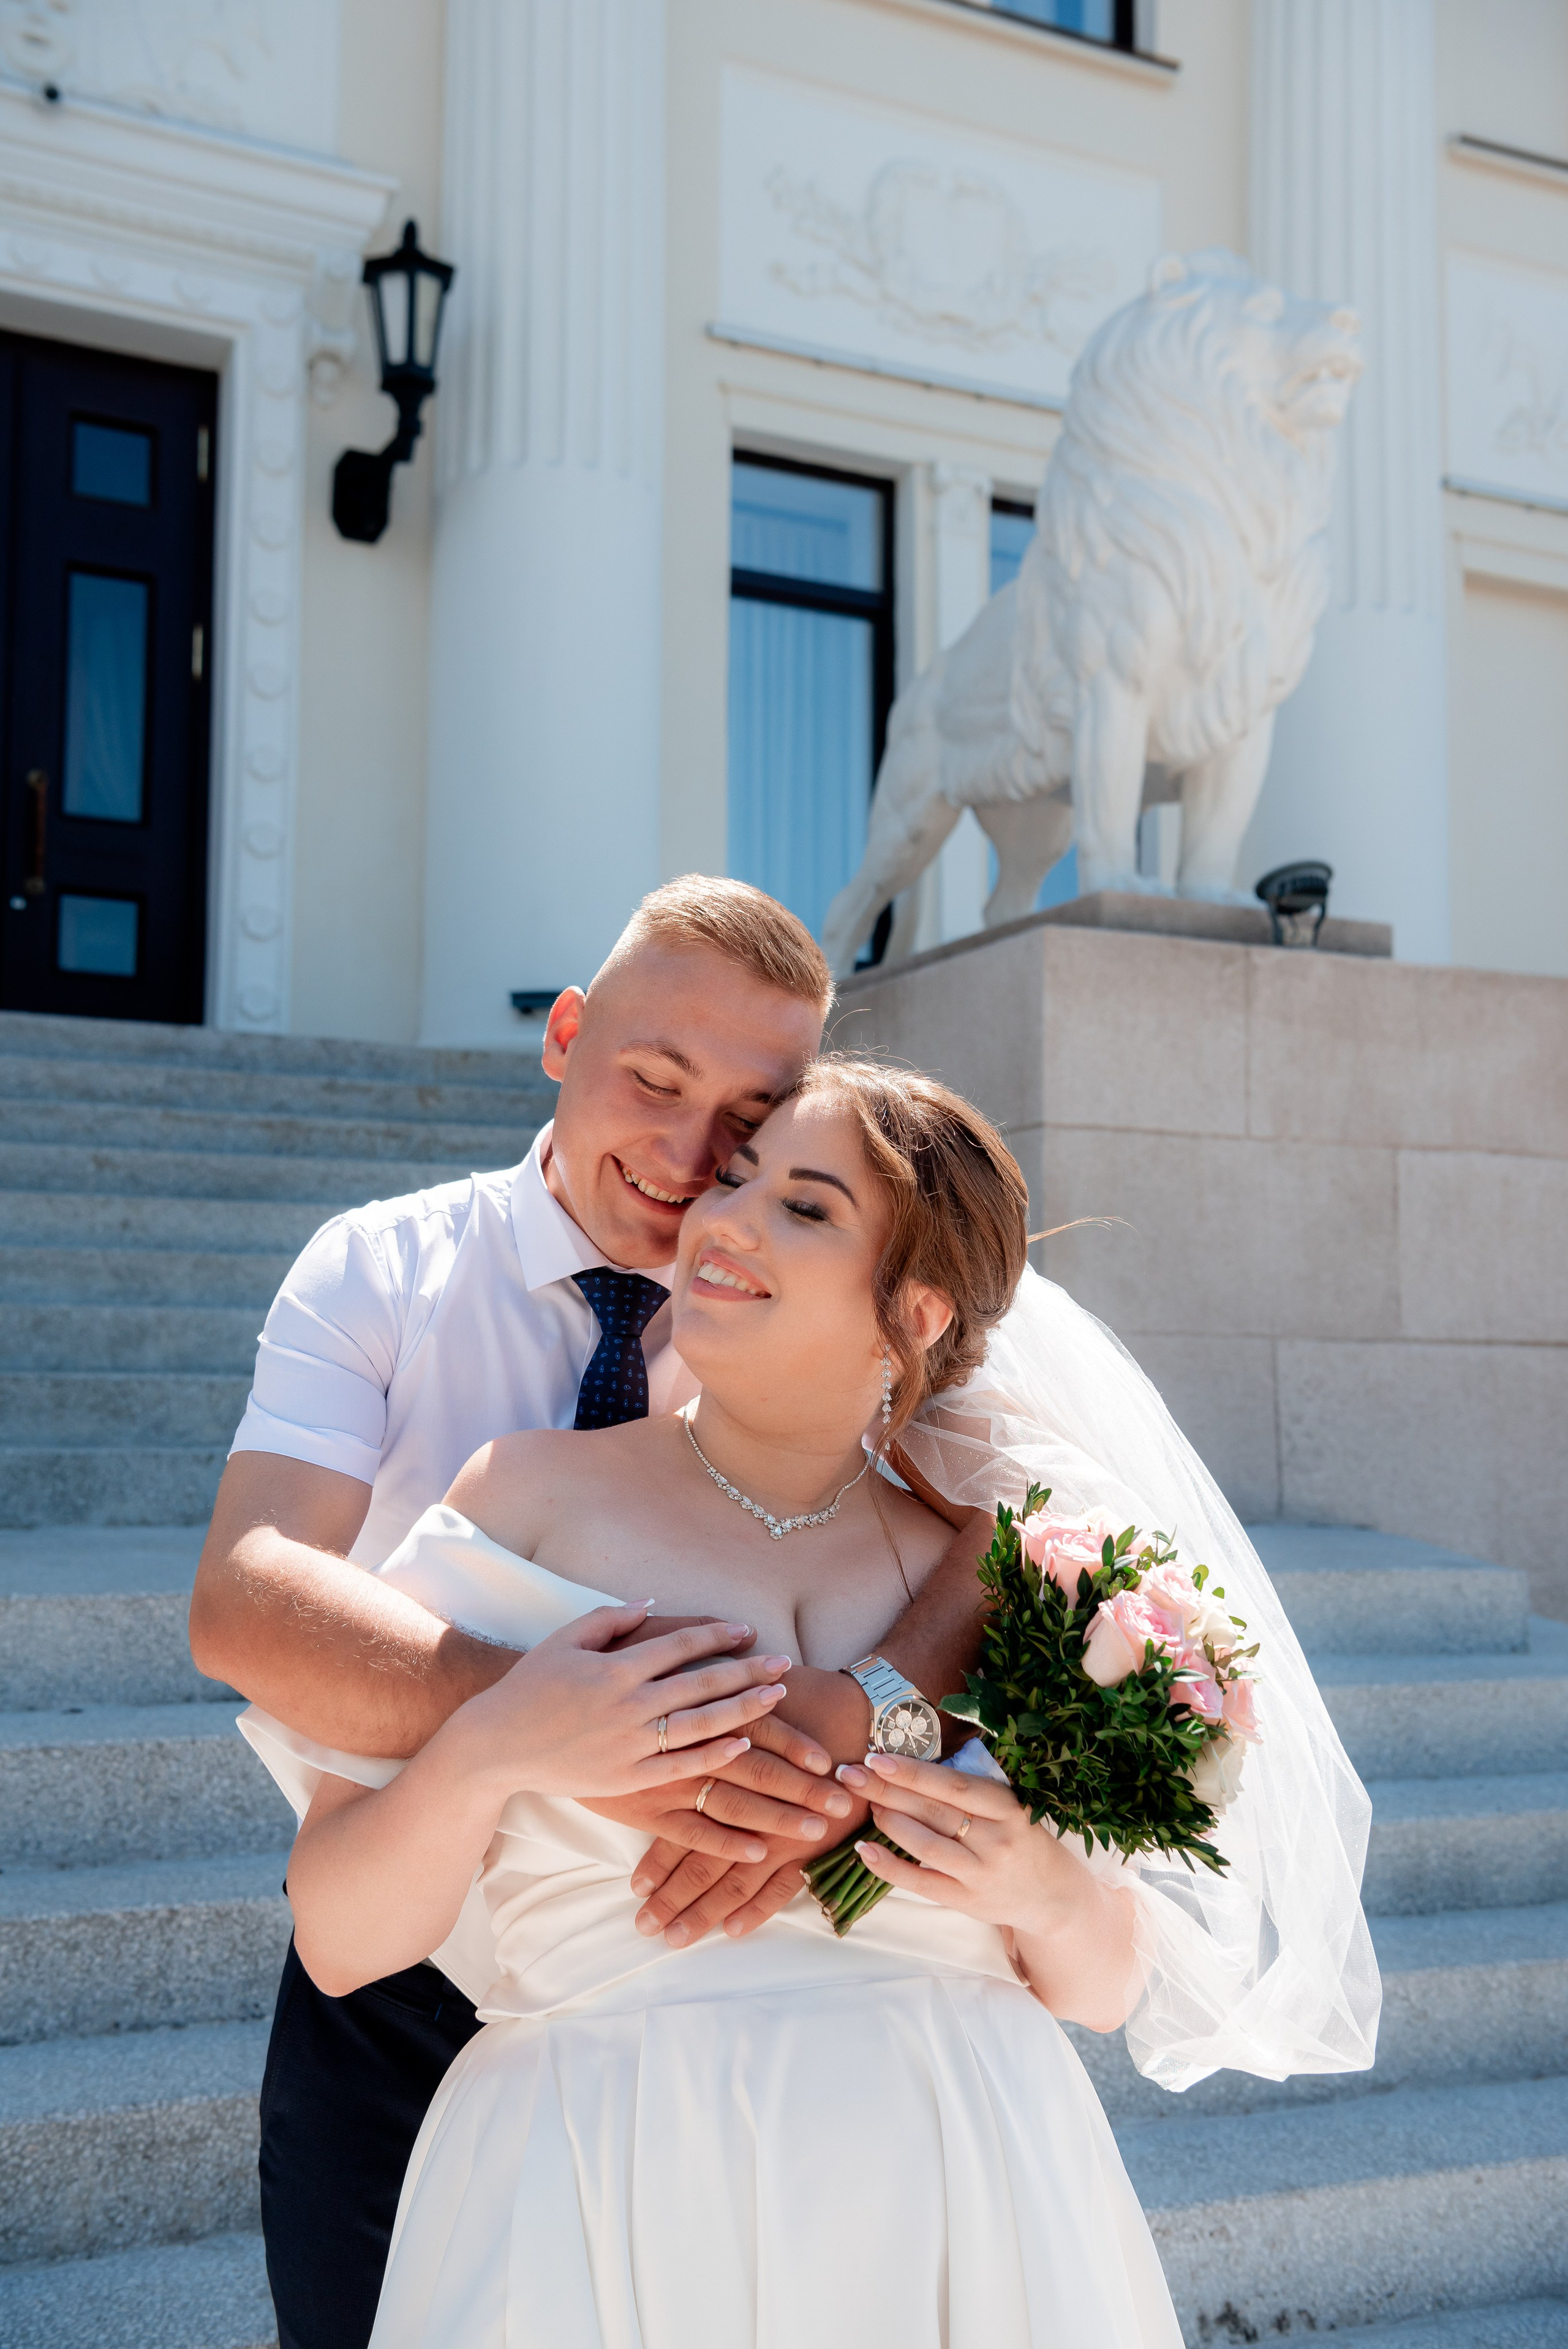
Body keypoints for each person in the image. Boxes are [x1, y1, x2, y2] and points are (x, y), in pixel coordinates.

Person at [263, 1060, 1190, 2348]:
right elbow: (341, 1938)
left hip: (964, 2183)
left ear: (911, 1312)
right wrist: (494, 1745)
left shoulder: (1011, 1581)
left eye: (804, 1208)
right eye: (736, 1180)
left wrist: (1040, 1886)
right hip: (604, 2184)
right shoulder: (528, 1497)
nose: (724, 1221)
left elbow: (1102, 1986)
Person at [190, 880, 999, 2349]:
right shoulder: (381, 1267)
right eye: (654, 1080)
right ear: (565, 1036)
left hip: (703, 1988)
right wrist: (590, 1736)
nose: (695, 1160)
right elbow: (247, 1601)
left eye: (750, 1120)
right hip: (401, 1946)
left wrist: (864, 1719)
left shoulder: (817, 1302)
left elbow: (1022, 1520)